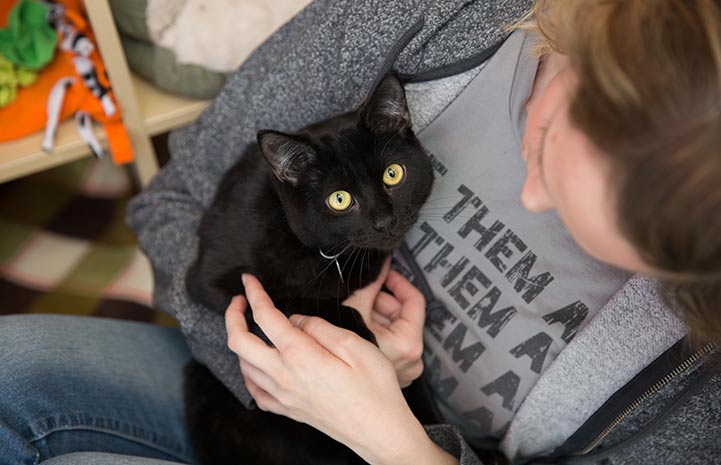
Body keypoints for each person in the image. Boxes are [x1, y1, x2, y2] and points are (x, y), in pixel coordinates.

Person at [1, 0, 719, 464]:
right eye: (542, 145)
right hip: (243, 403)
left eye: (595, 238)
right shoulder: (434, 13)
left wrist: (392, 439)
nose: (530, 196)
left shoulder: (702, 384)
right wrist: (274, 374)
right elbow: (173, 201)